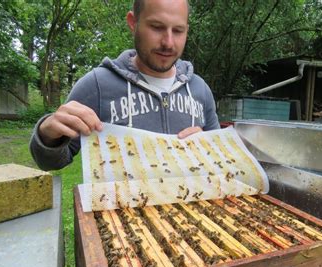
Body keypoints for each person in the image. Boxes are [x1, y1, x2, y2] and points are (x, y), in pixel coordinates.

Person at [30, 0, 220, 171]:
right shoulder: (96, 85)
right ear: (133, 22)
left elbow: (223, 161)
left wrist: (208, 148)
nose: (168, 43)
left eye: (178, 31)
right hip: (118, 207)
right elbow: (51, 162)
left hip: (192, 208)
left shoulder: (200, 90)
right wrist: (47, 134)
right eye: (156, 27)